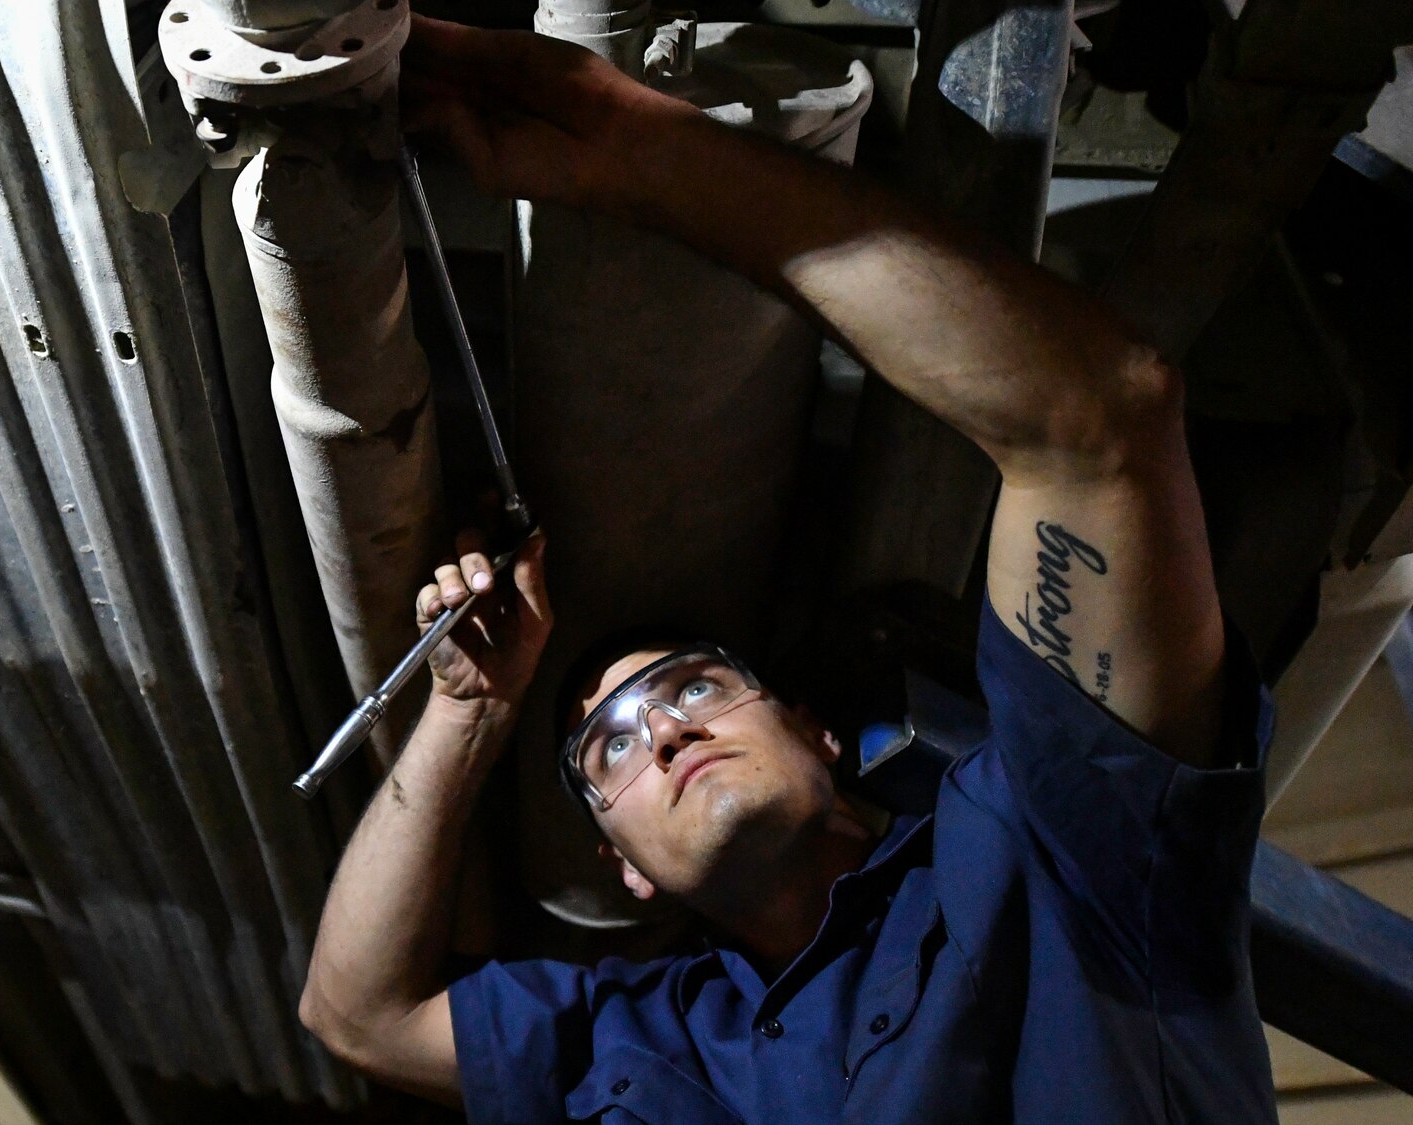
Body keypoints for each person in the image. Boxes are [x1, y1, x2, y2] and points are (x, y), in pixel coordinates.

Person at [298, 15, 1276, 1125]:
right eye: (607, 750)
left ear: (817, 733)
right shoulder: (660, 1040)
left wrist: (631, 150)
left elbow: (1100, 421)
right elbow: (356, 1016)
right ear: (625, 869)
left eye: (695, 689)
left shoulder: (1051, 855)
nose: (662, 733)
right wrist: (470, 710)